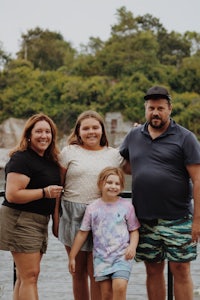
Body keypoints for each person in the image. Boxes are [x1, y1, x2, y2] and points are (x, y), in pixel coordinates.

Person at [119, 85, 200, 300]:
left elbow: (198, 179)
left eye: (160, 108)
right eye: (151, 108)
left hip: (179, 218)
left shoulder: (186, 138)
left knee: (181, 270)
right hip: (144, 219)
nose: (155, 112)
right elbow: (124, 166)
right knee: (152, 271)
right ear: (145, 109)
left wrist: (197, 221)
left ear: (169, 109)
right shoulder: (134, 135)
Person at [58, 110, 124, 300]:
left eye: (95, 127)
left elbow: (129, 170)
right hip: (72, 215)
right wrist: (55, 218)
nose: (91, 132)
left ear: (102, 130)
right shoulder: (69, 152)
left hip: (103, 218)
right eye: (85, 128)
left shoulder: (114, 155)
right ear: (78, 132)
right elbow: (59, 186)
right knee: (77, 272)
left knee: (99, 273)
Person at [0, 113, 63, 300]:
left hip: (39, 221)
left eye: (47, 131)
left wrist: (55, 221)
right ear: (29, 135)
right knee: (30, 276)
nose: (44, 135)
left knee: (25, 276)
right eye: (39, 131)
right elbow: (12, 194)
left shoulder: (49, 159)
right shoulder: (21, 158)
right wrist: (44, 192)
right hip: (20, 219)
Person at [68, 167, 140, 300]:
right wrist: (72, 256)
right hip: (101, 259)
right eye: (109, 182)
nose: (113, 186)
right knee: (106, 295)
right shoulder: (92, 208)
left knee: (120, 286)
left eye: (117, 184)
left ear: (122, 186)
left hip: (121, 256)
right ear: (101, 184)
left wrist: (132, 247)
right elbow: (82, 233)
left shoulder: (126, 206)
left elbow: (134, 230)